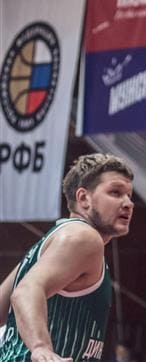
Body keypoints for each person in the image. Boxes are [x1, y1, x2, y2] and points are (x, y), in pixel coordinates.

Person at [0, 154, 135, 362]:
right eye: (115, 192)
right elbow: (25, 292)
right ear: (83, 198)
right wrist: (41, 347)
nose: (128, 203)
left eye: (129, 195)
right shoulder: (84, 237)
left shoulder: (53, 242)